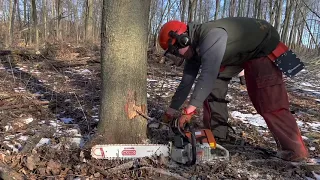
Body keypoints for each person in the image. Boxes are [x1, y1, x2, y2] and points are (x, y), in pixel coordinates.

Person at [158, 17, 308, 162]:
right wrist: (170, 111)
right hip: (237, 55)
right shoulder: (193, 49)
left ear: (183, 39)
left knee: (269, 101)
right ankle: (217, 134)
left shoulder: (212, 35)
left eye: (175, 50)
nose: (177, 55)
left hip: (261, 47)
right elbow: (186, 82)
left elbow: (207, 75)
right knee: (213, 87)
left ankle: (294, 150)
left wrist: (188, 111)